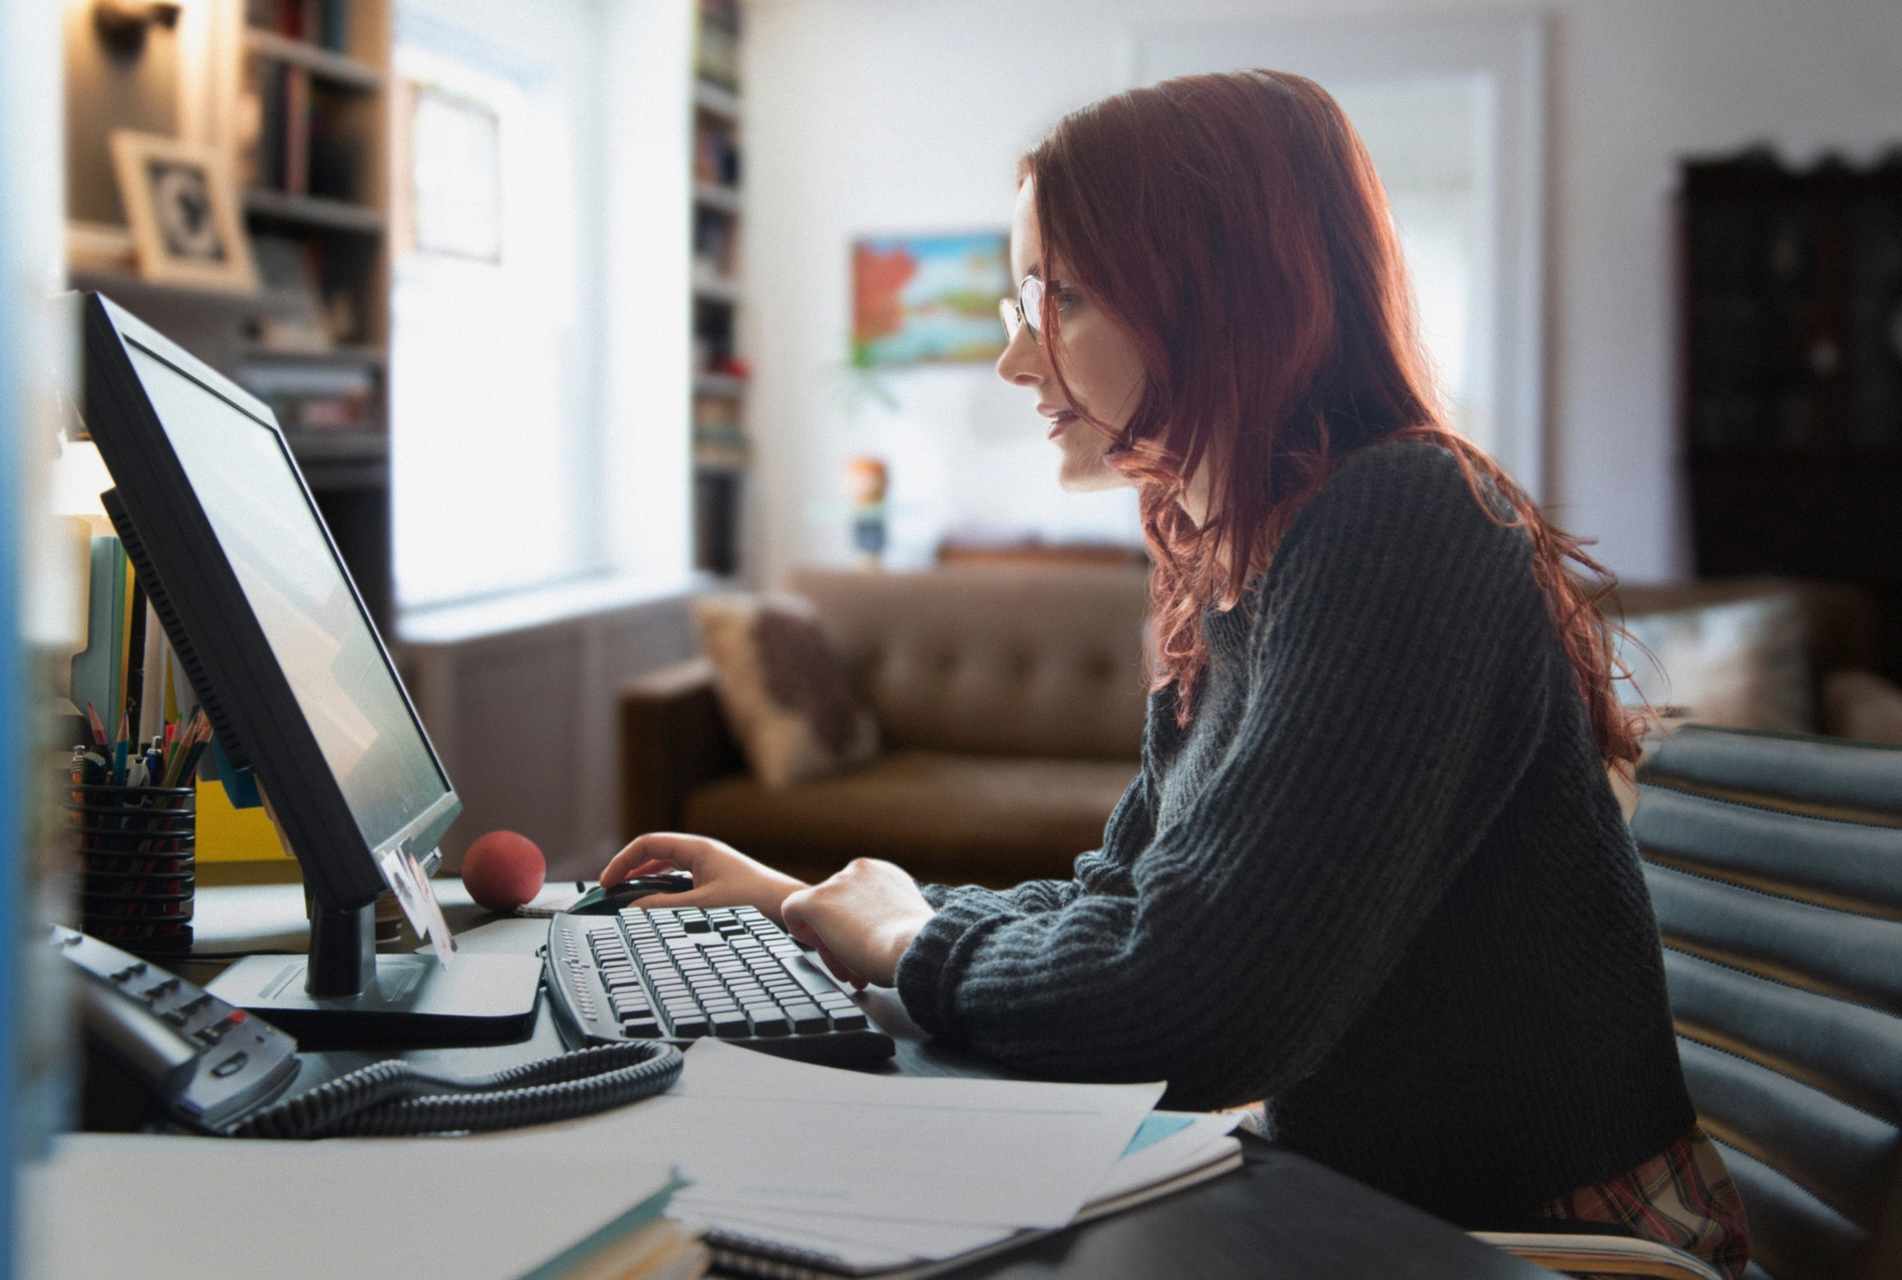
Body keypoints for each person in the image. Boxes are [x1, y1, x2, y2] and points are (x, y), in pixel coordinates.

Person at [603, 70, 1749, 1274]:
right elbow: (1124, 902)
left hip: (1548, 1245)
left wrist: (902, 941)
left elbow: (1195, 1004)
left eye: (1066, 298)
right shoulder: (1236, 564)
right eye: (1022, 299)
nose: (1013, 360)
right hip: (1361, 1205)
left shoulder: (1405, 519)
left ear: (1224, 298)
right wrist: (816, 907)